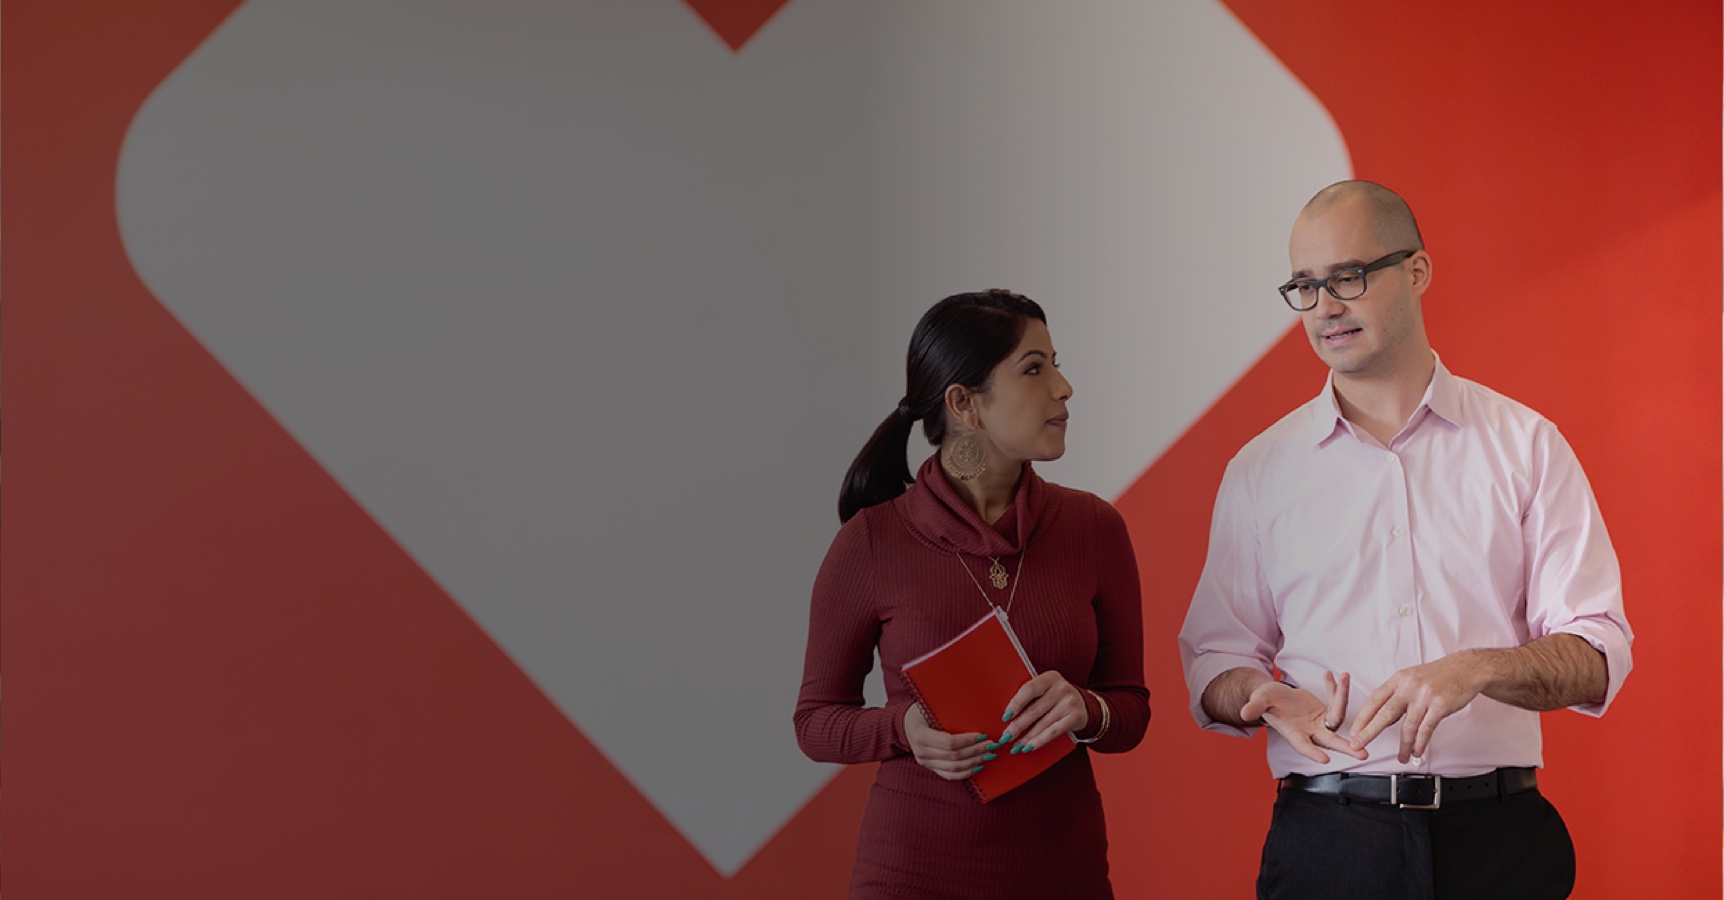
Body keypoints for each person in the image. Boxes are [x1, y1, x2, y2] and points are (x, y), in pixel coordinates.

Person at [1178, 180, 1633, 900]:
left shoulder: (1526, 445)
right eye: (1305, 285)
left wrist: (1475, 670)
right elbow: (1214, 658)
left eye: (1349, 278)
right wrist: (1263, 694)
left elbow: (1599, 652)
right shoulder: (1259, 471)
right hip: (1327, 844)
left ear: (1416, 271)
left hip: (1501, 844)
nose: (1326, 307)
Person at [794, 289, 1149, 899]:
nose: (1063, 387)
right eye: (1034, 369)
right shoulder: (871, 543)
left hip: (1064, 876)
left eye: (1055, 363)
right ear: (964, 404)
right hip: (910, 877)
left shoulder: (1095, 528)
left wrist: (1087, 710)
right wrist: (904, 727)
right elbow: (815, 722)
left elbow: (1131, 709)